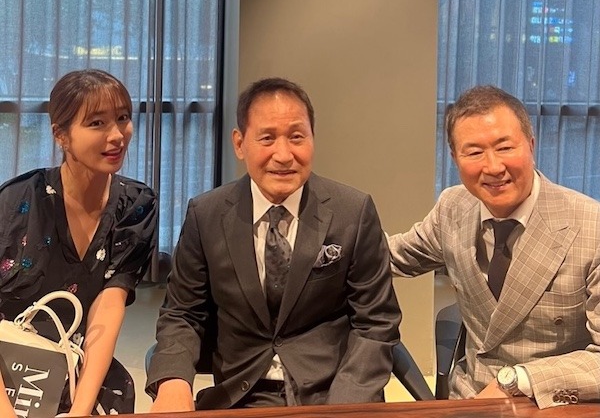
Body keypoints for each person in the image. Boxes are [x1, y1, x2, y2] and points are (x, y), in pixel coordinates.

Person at [146, 77, 400, 411]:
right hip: (240, 396)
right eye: (267, 138)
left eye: (297, 137)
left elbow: (376, 322)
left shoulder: (352, 211)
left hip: (329, 394)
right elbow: (183, 313)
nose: (283, 155)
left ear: (312, 138)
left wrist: (344, 405)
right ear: (240, 144)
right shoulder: (206, 215)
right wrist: (173, 382)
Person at [388, 85, 600, 409]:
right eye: (474, 153)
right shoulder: (453, 208)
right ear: (455, 158)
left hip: (551, 403)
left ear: (531, 145)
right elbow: (389, 256)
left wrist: (518, 381)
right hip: (469, 398)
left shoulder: (591, 226)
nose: (493, 167)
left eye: (505, 147)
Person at [0, 69, 157, 416]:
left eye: (123, 118)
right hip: (6, 363)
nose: (116, 135)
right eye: (97, 123)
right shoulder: (16, 202)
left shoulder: (136, 204)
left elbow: (109, 305)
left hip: (77, 364)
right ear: (61, 135)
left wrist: (81, 409)